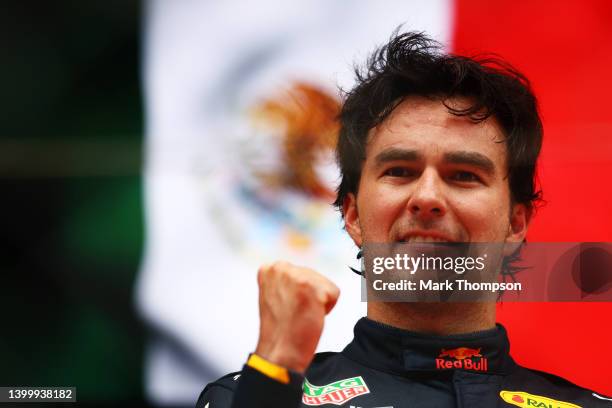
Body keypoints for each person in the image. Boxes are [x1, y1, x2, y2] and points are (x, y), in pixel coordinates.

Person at [195, 32, 611, 407]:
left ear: (515, 225)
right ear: (353, 214)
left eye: (463, 176)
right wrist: (276, 371)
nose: (427, 197)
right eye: (400, 171)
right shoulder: (254, 394)